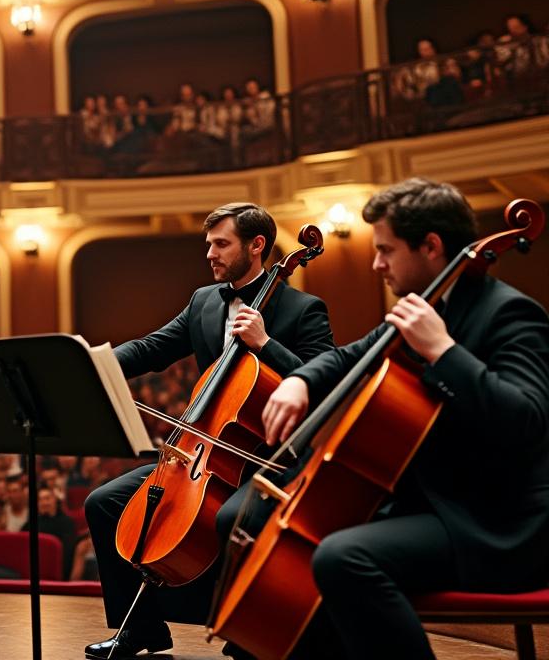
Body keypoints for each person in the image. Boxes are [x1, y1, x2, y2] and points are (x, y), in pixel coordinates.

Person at [258, 178, 549, 659]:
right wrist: (300, 381)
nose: (377, 264)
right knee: (267, 519)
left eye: (386, 250)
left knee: (341, 556)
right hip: (432, 504)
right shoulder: (425, 306)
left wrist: (443, 350)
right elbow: (348, 356)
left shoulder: (511, 314)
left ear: (431, 246)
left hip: (496, 522)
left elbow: (527, 422)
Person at [82, 202, 336, 660]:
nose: (211, 254)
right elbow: (152, 348)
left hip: (272, 458)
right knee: (104, 503)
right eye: (209, 245)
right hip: (204, 449)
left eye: (222, 244)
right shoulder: (204, 301)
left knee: (229, 518)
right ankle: (138, 629)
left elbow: (326, 384)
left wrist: (267, 345)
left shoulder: (304, 310)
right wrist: (92, 365)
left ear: (257, 246)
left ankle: (246, 628)